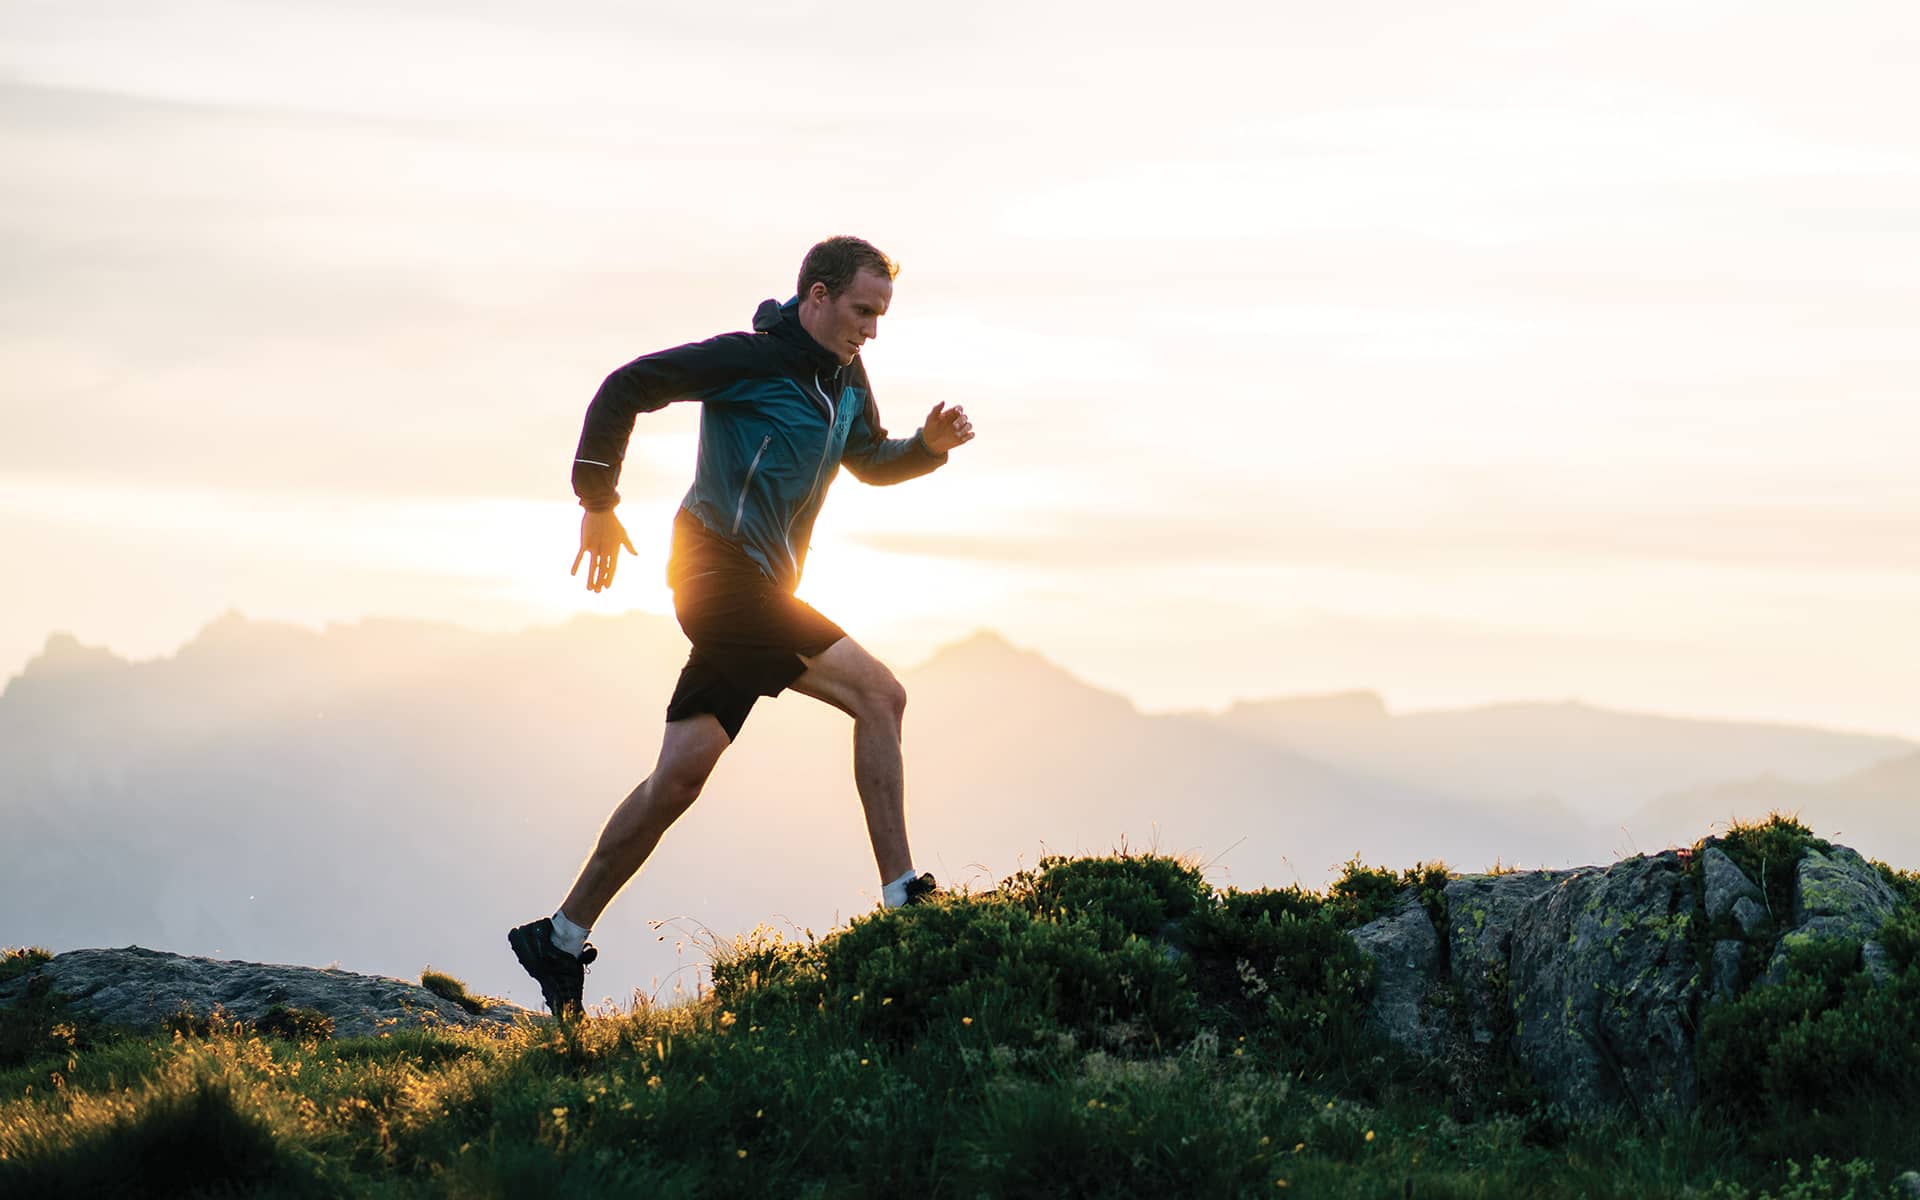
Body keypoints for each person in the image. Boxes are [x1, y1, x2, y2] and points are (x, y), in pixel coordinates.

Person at [510, 236, 975, 1017]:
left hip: (764, 587)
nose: (871, 330)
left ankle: (558, 936)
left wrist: (925, 449)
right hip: (718, 577)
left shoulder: (845, 377)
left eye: (881, 317)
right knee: (880, 695)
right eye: (862, 311)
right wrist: (598, 501)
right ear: (817, 296)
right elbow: (628, 385)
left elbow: (867, 458)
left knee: (679, 777)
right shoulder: (747, 360)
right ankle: (905, 898)